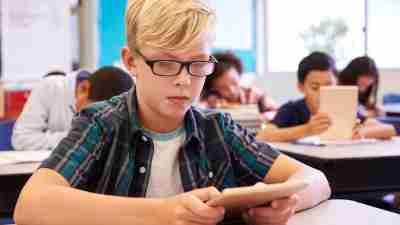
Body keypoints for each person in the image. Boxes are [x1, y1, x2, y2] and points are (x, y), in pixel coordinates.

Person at [14, 1, 331, 225]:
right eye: (165, 63)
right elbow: (31, 205)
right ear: (132, 61)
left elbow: (316, 180)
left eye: (197, 64)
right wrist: (164, 214)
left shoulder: (217, 129)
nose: (183, 80)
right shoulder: (101, 123)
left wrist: (286, 204)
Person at [257, 52, 396, 143]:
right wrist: (307, 130)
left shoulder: (344, 108)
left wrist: (359, 132)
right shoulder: (292, 109)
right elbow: (263, 136)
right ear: (301, 87)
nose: (322, 92)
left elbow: (389, 129)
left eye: (329, 85)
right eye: (315, 87)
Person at [12, 66, 133, 151]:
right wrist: (77, 138)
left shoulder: (116, 95)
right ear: (83, 88)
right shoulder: (49, 87)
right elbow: (21, 139)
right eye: (92, 112)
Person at [202, 51, 278, 120]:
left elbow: (275, 112)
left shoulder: (254, 94)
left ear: (239, 75)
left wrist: (261, 117)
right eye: (223, 88)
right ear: (214, 88)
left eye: (234, 83)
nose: (231, 90)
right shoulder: (212, 101)